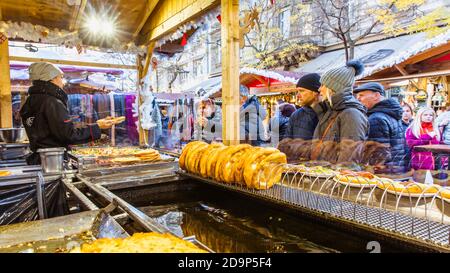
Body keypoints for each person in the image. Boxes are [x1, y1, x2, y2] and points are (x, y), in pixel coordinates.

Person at [20, 62, 112, 165]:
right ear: (52, 78)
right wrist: (98, 127)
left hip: (38, 160)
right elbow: (68, 135)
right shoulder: (52, 102)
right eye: (60, 78)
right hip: (53, 162)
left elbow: (46, 127)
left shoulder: (30, 100)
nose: (63, 82)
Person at [311, 60, 368, 163]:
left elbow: (350, 158)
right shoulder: (332, 111)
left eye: (323, 85)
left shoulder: (351, 114)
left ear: (333, 87)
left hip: (336, 177)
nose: (320, 89)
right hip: (324, 175)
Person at [354, 82, 408, 173]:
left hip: (383, 173)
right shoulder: (390, 113)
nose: (358, 98)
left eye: (361, 95)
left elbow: (378, 155)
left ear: (376, 95)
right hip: (396, 169)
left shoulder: (376, 118)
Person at [287, 73, 320, 140]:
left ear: (315, 92)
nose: (298, 95)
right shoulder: (296, 115)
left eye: (302, 91)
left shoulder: (330, 113)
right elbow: (287, 143)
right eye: (297, 91)